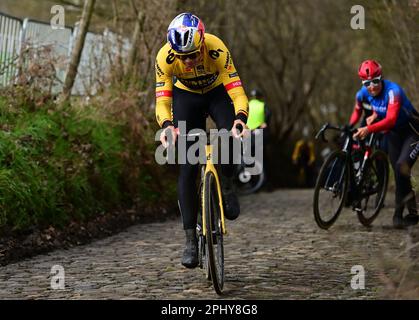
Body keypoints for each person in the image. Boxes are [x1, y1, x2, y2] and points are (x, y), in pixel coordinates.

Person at [155, 13, 249, 268]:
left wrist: (240, 119)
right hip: (186, 98)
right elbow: (162, 101)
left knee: (230, 134)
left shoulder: (217, 48)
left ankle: (227, 184)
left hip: (217, 93)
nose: (188, 61)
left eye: (194, 55)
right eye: (183, 57)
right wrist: (167, 126)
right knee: (187, 167)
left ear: (202, 44)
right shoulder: (165, 57)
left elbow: (238, 92)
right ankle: (190, 241)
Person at [353, 59, 419, 228]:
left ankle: (400, 214)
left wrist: (369, 129)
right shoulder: (365, 92)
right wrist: (374, 115)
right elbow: (378, 106)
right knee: (399, 172)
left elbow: (390, 119)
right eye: (367, 83)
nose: (372, 86)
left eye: (375, 81)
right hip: (395, 135)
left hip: (412, 131)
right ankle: (411, 212)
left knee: (401, 165)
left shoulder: (393, 91)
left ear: (381, 77)